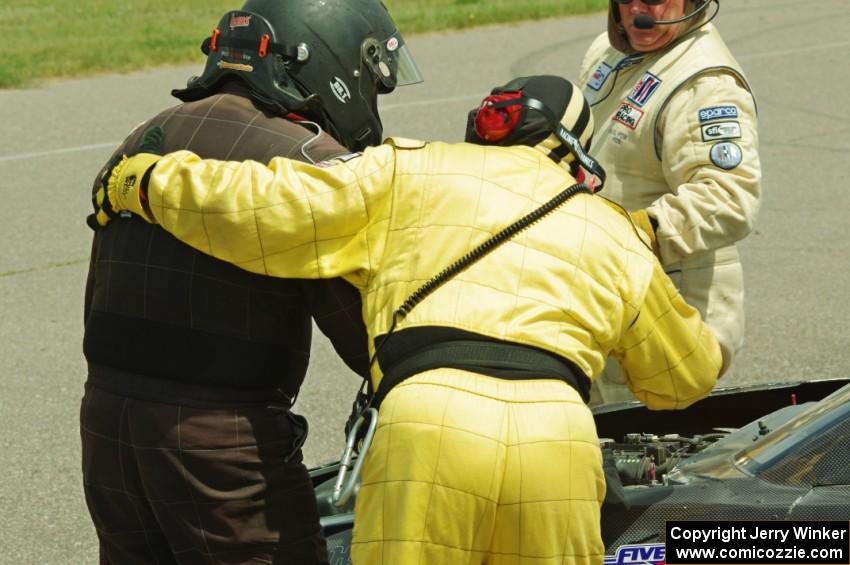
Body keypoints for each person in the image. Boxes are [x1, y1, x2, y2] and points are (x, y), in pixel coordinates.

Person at [87, 74, 722, 565]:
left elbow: (262, 208)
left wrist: (143, 181)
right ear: (573, 150)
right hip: (554, 438)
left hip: (426, 420)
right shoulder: (609, 228)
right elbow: (683, 380)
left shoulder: (406, 168)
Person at [81, 1, 422, 563]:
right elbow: (368, 338)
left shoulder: (142, 140)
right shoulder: (311, 163)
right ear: (334, 62)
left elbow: (98, 296)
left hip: (107, 425)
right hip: (221, 448)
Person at [577, 0, 761, 404]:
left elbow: (729, 197)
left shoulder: (704, 83)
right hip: (604, 289)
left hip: (662, 312)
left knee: (630, 454)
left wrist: (630, 234)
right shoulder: (608, 54)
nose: (638, 10)